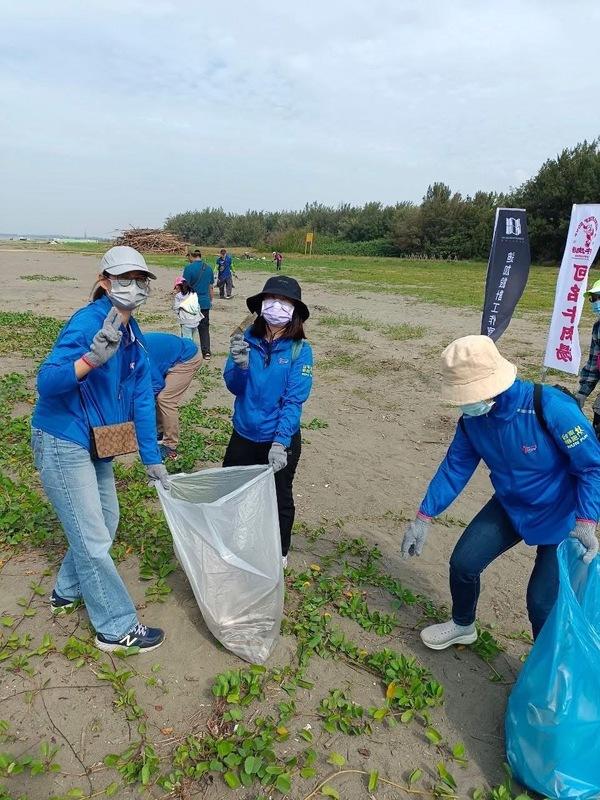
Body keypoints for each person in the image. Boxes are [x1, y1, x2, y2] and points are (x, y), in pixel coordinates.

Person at [401, 335, 600, 649]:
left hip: (562, 513)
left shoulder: (549, 407)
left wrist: (588, 520)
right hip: (511, 504)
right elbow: (454, 467)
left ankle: (545, 674)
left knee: (541, 603)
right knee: (464, 564)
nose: (465, 402)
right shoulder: (473, 420)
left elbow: (592, 466)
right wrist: (423, 516)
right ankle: (462, 624)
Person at [31, 246, 170, 653]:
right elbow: (48, 382)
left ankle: (65, 590)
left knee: (107, 519)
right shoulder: (88, 321)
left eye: (141, 279)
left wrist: (153, 459)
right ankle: (115, 628)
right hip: (63, 437)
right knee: (92, 536)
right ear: (105, 281)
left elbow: (143, 395)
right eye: (125, 278)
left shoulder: (133, 332)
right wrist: (90, 359)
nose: (135, 287)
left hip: (98, 440)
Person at [222, 276, 313, 567]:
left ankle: (280, 552)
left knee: (279, 495)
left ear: (295, 310)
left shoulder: (300, 350)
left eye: (285, 301)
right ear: (261, 304)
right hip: (244, 432)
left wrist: (281, 441)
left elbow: (293, 400)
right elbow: (234, 387)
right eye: (272, 299)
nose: (278, 305)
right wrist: (240, 368)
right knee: (233, 490)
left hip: (279, 438)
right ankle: (235, 541)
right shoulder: (245, 338)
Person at [144, 332, 203, 460]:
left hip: (187, 357)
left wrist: (142, 403)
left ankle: (170, 445)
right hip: (172, 357)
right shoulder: (127, 353)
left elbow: (156, 384)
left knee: (165, 398)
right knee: (155, 396)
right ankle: (160, 431)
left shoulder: (140, 356)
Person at [575, 278, 600, 437]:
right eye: (593, 298)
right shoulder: (598, 328)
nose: (596, 302)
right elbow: (593, 364)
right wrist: (582, 392)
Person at [183, 249, 214, 360]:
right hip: (204, 302)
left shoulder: (188, 268)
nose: (188, 259)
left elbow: (185, 287)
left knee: (188, 327)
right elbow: (211, 287)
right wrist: (211, 301)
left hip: (191, 302)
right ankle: (206, 352)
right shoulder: (209, 268)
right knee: (204, 328)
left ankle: (189, 352)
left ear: (191, 256)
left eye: (188, 257)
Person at [172, 276, 202, 344]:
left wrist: (179, 314)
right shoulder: (193, 293)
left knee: (187, 339)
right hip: (195, 320)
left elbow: (176, 308)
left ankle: (188, 352)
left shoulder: (178, 296)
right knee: (192, 338)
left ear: (178, 286)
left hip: (186, 321)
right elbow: (198, 306)